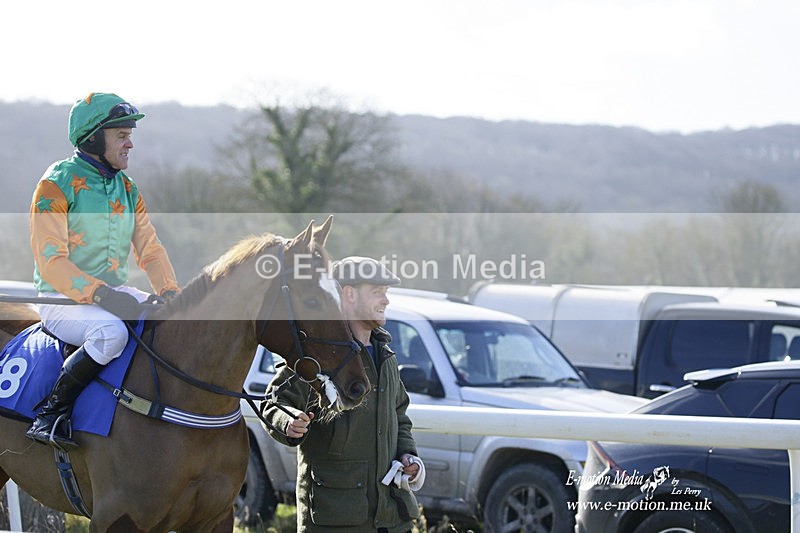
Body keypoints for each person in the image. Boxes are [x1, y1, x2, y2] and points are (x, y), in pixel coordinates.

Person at [26, 92, 180, 448]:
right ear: (94, 138)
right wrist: (100, 295)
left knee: (170, 325)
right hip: (61, 298)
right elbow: (51, 260)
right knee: (111, 334)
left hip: (110, 293)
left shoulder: (128, 188)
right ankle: (51, 412)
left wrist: (171, 292)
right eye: (122, 136)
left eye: (130, 135)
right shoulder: (55, 183)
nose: (130, 144)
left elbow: (151, 249)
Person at [261, 256, 425, 532]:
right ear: (348, 294)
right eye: (376, 292)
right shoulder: (317, 353)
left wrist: (409, 456)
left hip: (391, 518)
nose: (385, 301)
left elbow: (399, 416)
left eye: (385, 293)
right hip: (334, 518)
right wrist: (288, 422)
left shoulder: (385, 354)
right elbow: (274, 403)